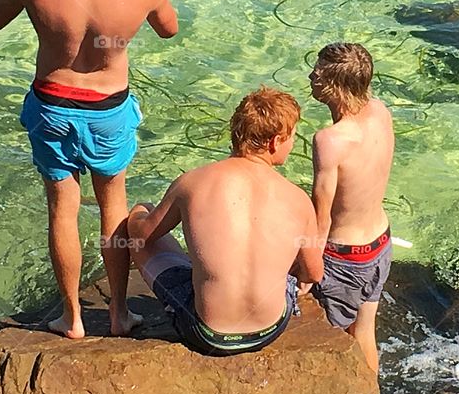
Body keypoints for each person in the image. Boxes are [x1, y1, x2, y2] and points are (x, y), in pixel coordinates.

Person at [0, 0, 178, 339]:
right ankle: (118, 314)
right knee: (114, 210)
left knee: (62, 210)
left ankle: (71, 318)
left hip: (52, 105)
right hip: (108, 108)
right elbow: (169, 29)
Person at [126, 86, 323, 355]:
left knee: (145, 221)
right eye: (292, 137)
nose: (292, 144)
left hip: (206, 334)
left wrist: (138, 213)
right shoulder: (298, 199)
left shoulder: (192, 183)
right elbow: (313, 274)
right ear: (275, 142)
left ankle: (121, 312)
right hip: (269, 330)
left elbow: (142, 237)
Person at [308, 43, 395, 373]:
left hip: (345, 257)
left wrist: (308, 269)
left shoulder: (330, 141)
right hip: (380, 244)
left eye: (317, 73)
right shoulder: (381, 112)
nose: (310, 76)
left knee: (330, 340)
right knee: (364, 331)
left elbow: (322, 216)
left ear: (334, 86)